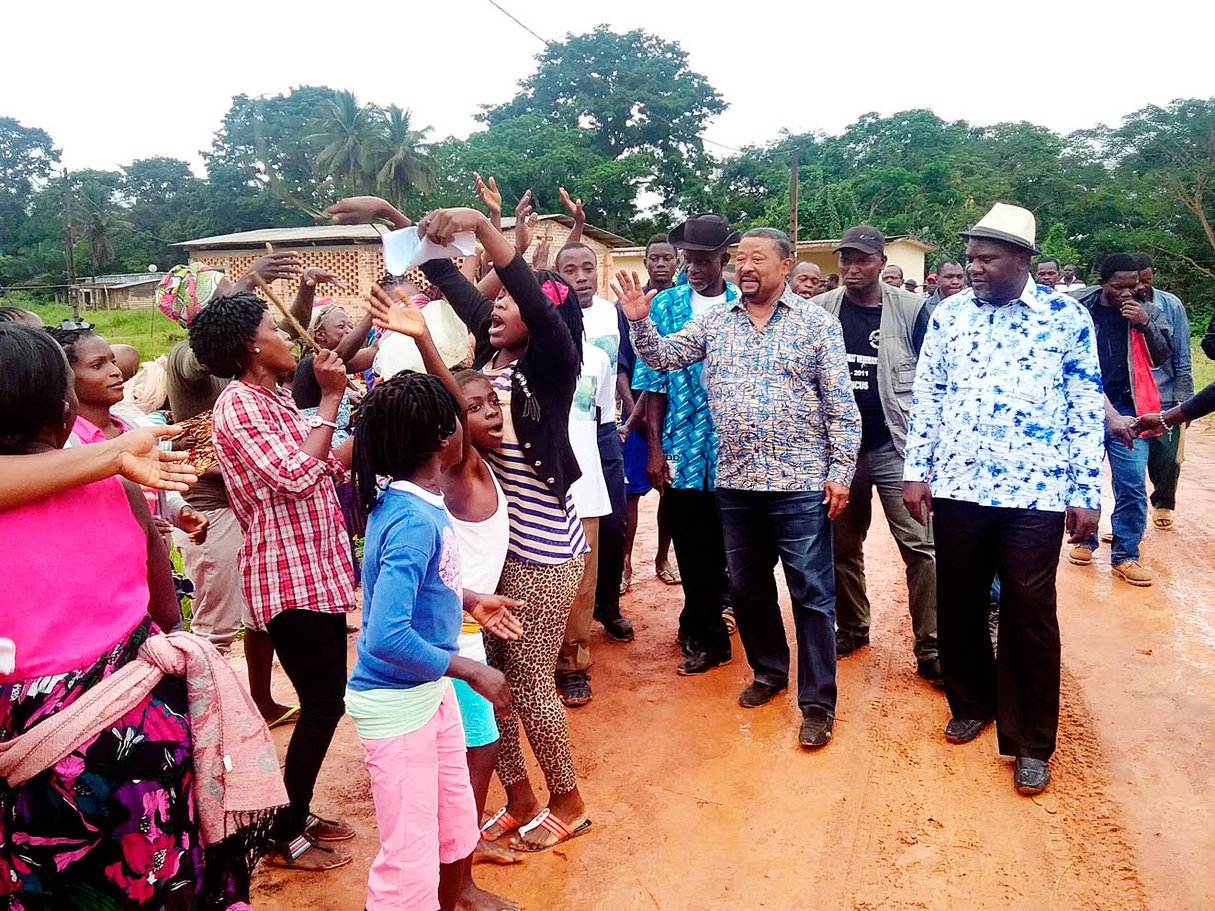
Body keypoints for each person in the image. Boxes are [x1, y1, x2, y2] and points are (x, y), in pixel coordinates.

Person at [328, 195, 595, 852]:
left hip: (544, 557)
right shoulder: (493, 358)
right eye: (495, 304)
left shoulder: (551, 369)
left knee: (526, 686)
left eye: (509, 304)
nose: (496, 306)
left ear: (544, 321)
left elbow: (525, 294)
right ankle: (518, 795)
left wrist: (481, 226)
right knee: (487, 686)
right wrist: (395, 218)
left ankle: (569, 799)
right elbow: (446, 276)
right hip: (497, 558)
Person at [0, 322, 284, 909]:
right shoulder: (107, 480)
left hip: (37, 754)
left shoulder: (102, 471)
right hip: (141, 744)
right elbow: (159, 596)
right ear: (62, 411)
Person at [619, 226, 861, 749]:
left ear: (785, 264)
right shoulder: (714, 323)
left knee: (813, 594)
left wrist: (840, 472)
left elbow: (843, 408)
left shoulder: (817, 325)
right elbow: (663, 357)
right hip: (737, 482)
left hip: (799, 483)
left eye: (757, 258)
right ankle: (770, 670)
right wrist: (640, 325)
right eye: (740, 259)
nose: (745, 266)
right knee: (749, 588)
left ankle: (818, 701)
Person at [902, 202, 1104, 795]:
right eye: (970, 259)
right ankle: (971, 700)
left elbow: (1085, 405)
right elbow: (930, 394)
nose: (975, 269)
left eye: (987, 259)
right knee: (959, 597)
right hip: (960, 484)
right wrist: (919, 471)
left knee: (1029, 608)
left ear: (1022, 259)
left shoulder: (1066, 318)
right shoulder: (948, 315)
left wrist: (1086, 491)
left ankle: (1031, 740)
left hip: (1036, 490)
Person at [189, 291, 359, 870]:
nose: (289, 336)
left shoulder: (275, 399)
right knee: (323, 704)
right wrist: (333, 401)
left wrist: (354, 432)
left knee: (324, 699)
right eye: (275, 327)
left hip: (314, 568)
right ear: (250, 345)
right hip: (288, 574)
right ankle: (283, 833)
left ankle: (295, 812)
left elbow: (320, 464)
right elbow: (291, 476)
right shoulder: (239, 405)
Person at [345, 367, 522, 911]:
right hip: (397, 704)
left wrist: (468, 600)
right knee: (408, 848)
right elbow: (385, 635)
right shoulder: (411, 518)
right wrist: (470, 668)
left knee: (451, 809)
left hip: (427, 691)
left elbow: (419, 582)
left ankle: (453, 896)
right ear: (442, 440)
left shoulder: (418, 502)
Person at [159, 257, 328, 728]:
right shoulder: (186, 359)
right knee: (216, 624)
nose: (234, 298)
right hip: (210, 508)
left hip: (245, 502)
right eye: (221, 296)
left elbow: (273, 336)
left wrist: (305, 291)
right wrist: (248, 281)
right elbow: (235, 342)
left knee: (258, 614)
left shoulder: (257, 373)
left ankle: (259, 703)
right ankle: (200, 724)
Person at [812, 225, 940, 684]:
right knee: (841, 546)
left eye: (862, 259)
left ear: (881, 263)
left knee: (921, 547)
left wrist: (926, 458)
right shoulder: (820, 311)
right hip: (840, 452)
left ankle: (932, 646)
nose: (852, 268)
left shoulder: (912, 310)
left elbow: (933, 384)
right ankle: (852, 627)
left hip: (894, 447)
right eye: (846, 259)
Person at [632, 214, 740, 675]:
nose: (692, 268)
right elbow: (652, 382)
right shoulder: (665, 305)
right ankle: (703, 634)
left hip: (737, 447)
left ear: (724, 258)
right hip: (680, 441)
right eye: (687, 260)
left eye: (701, 260)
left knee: (731, 542)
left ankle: (710, 617)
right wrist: (655, 448)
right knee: (691, 539)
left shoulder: (742, 303)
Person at [1068, 254, 1173, 586]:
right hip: (1083, 409)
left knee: (1130, 485)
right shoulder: (1079, 308)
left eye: (1134, 285)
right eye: (1119, 286)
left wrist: (1145, 323)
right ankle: (1085, 541)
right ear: (1103, 284)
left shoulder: (1148, 310)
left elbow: (1163, 355)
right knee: (1083, 477)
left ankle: (1126, 555)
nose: (1128, 292)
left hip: (1131, 411)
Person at [557, 241, 635, 642]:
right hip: (559, 432)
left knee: (613, 523)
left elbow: (622, 371)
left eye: (587, 268)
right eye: (570, 270)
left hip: (601, 429)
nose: (581, 277)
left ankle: (608, 604)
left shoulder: (612, 313)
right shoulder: (549, 317)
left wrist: (618, 424)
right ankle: (565, 618)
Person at [619, 235, 679, 593]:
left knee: (670, 495)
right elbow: (622, 364)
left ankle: (662, 557)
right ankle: (625, 563)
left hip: (675, 417)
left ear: (677, 262)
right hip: (633, 419)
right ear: (645, 261)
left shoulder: (684, 302)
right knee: (631, 495)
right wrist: (632, 412)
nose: (660, 264)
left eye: (666, 258)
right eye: (653, 258)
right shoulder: (628, 303)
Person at [1136, 255, 1193, 530]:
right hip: (1133, 396)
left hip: (1167, 393)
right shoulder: (1118, 308)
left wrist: (1186, 401)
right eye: (1139, 281)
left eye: (1148, 279)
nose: (1144, 286)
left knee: (1168, 458)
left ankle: (1163, 503)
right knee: (1133, 463)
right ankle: (1130, 515)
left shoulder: (1171, 304)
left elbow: (1183, 352)